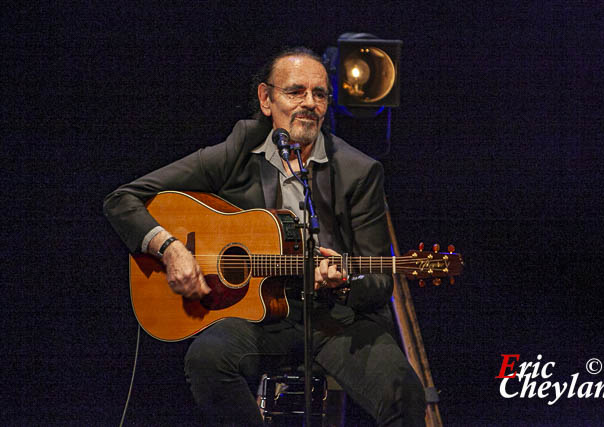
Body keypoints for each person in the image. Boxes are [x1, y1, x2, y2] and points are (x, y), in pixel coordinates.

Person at [104, 47, 426, 426]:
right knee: (207, 358)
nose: (309, 103)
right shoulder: (239, 149)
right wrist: (169, 248)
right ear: (266, 99)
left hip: (336, 322)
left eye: (319, 94)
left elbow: (378, 280)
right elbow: (122, 199)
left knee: (404, 391)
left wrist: (340, 285)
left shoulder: (359, 171)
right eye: (296, 92)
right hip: (261, 320)